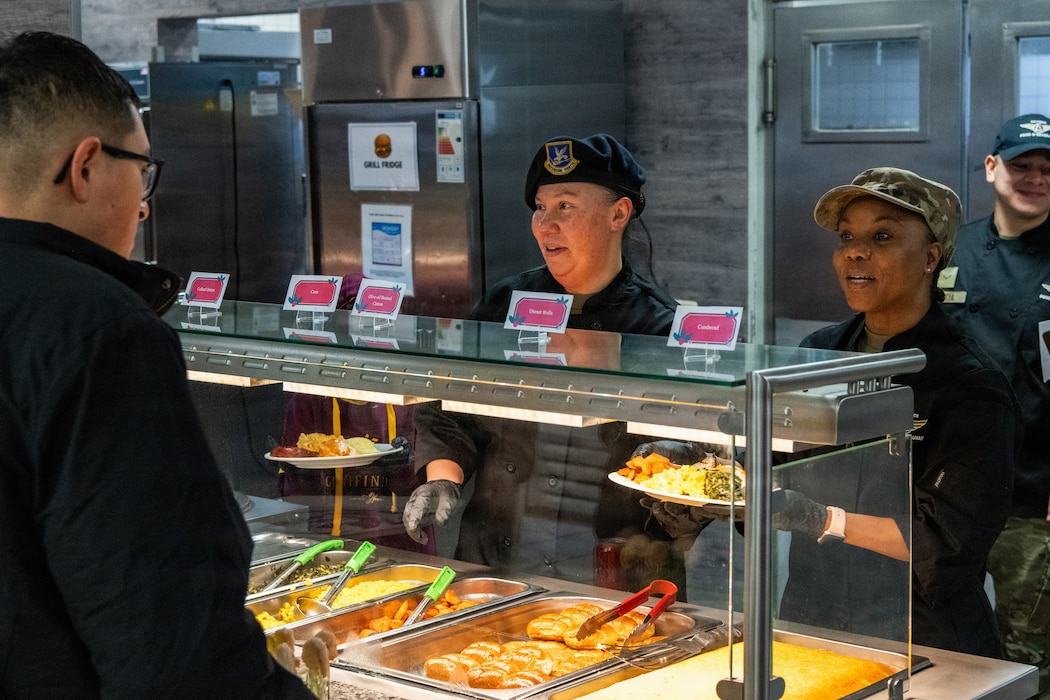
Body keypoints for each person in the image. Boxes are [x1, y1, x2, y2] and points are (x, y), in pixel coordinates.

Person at [0, 32, 312, 698]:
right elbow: (175, 651)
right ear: (85, 167)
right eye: (142, 170)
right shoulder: (97, 329)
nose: (144, 204)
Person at [639, 168, 1020, 657]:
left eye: (881, 235)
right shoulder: (817, 354)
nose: (855, 251)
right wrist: (694, 472)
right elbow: (769, 470)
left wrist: (821, 518)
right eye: (846, 237)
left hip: (921, 635)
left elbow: (944, 540)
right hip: (812, 620)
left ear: (931, 257)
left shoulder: (970, 381)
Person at [402, 134, 682, 584]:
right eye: (540, 207)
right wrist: (442, 477)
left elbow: (689, 450)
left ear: (619, 214)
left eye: (565, 206)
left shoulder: (659, 325)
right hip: (496, 559)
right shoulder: (503, 303)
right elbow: (449, 405)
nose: (545, 224)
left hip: (619, 573)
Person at [941, 114, 1050, 693]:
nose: (1033, 178)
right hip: (942, 491)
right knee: (940, 639)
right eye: (1021, 165)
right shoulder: (949, 247)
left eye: (1046, 169)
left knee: (1030, 653)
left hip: (1032, 496)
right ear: (991, 168)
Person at [277, 273, 434, 553]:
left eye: (380, 324)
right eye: (354, 322)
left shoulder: (411, 394)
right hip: (329, 548)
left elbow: (436, 483)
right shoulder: (308, 399)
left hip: (404, 547)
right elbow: (292, 496)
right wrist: (300, 471)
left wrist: (406, 466)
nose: (368, 335)